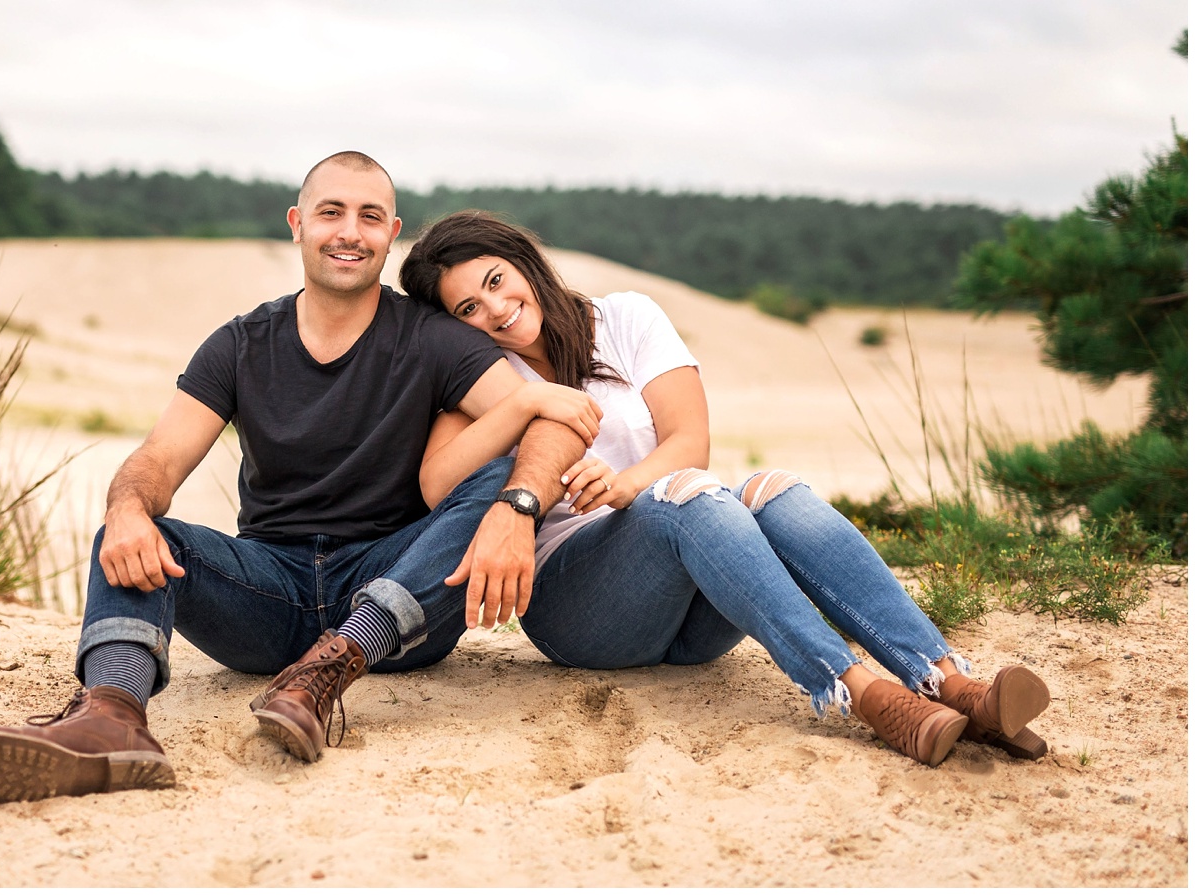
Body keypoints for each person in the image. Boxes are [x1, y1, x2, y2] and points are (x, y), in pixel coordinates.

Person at [0, 155, 595, 803]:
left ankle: (333, 664)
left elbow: (551, 419)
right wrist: (131, 507)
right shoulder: (241, 343)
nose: (349, 231)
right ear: (297, 223)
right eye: (331, 212)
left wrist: (520, 504)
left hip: (395, 589)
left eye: (369, 216)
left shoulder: (433, 338)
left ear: (391, 233)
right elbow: (158, 460)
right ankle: (109, 716)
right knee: (133, 520)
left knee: (491, 477)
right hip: (266, 590)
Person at [397, 211, 1052, 768]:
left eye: (494, 282)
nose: (496, 310)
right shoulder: (483, 376)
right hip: (582, 608)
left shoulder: (624, 319)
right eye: (468, 310)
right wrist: (523, 407)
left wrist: (627, 485)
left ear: (520, 261)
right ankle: (864, 696)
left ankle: (952, 683)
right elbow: (436, 483)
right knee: (687, 494)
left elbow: (689, 440)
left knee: (771, 487)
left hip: (695, 602)